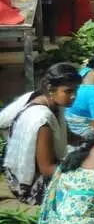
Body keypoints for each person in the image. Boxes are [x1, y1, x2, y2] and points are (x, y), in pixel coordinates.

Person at [0, 63, 82, 204]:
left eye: (76, 90)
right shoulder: (42, 119)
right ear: (51, 90)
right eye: (68, 91)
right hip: (32, 186)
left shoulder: (54, 105)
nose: (74, 96)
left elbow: (68, 136)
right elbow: (47, 169)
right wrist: (84, 173)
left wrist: (93, 142)